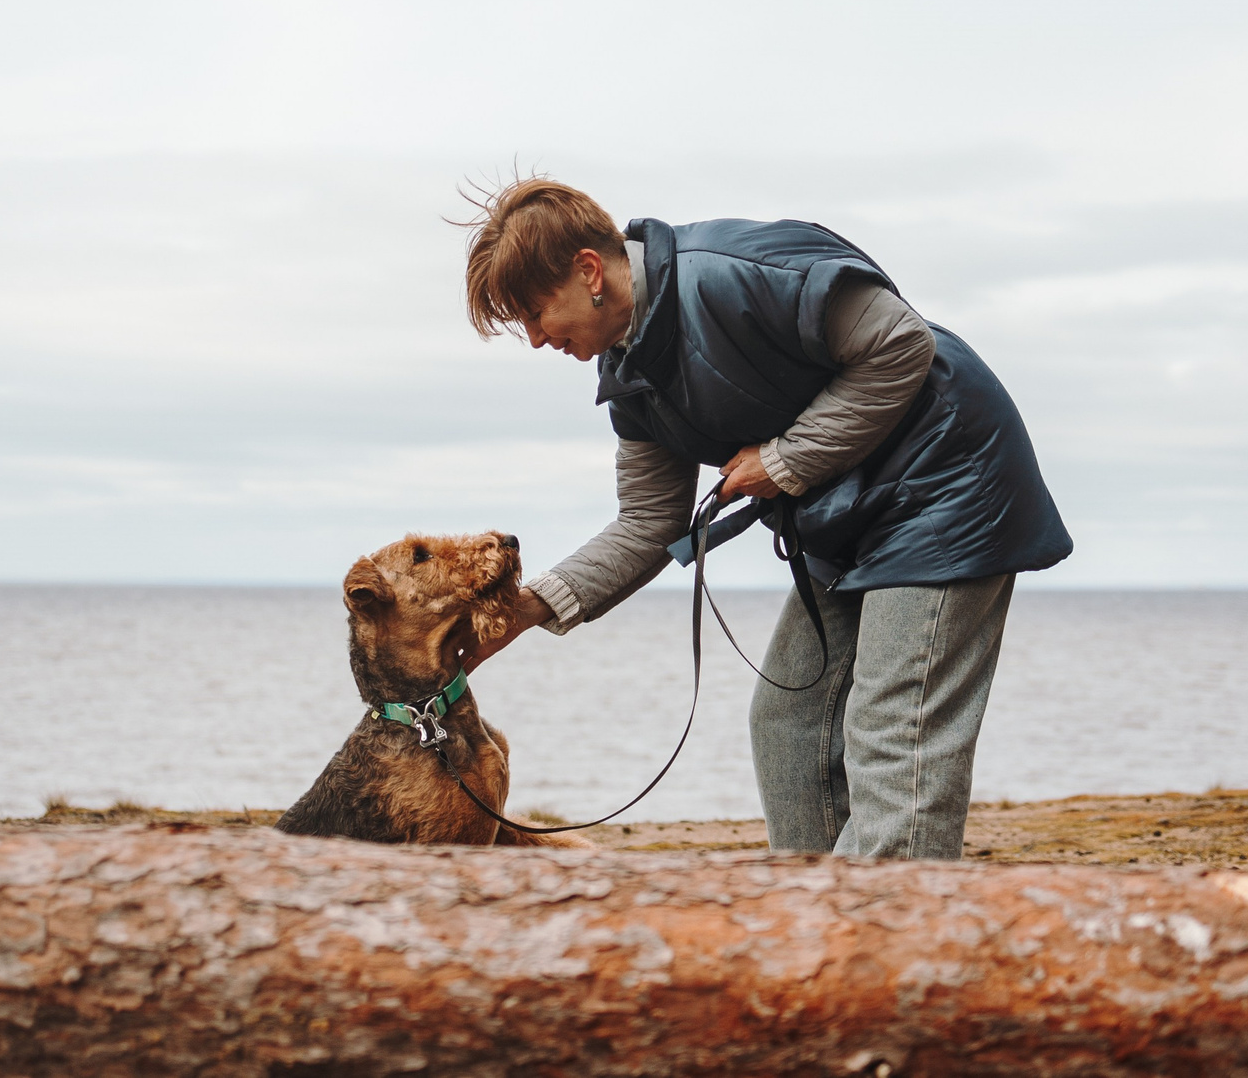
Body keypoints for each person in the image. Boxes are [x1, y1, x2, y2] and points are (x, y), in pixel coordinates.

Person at [459, 177, 1070, 860]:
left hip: (950, 481)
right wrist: (525, 609)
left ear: (590, 270)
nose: (537, 339)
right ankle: (815, 928)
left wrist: (783, 461)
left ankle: (896, 942)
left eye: (536, 313)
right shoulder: (631, 377)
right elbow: (647, 524)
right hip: (849, 516)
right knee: (787, 722)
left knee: (894, 730)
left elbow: (900, 343)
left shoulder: (737, 272)